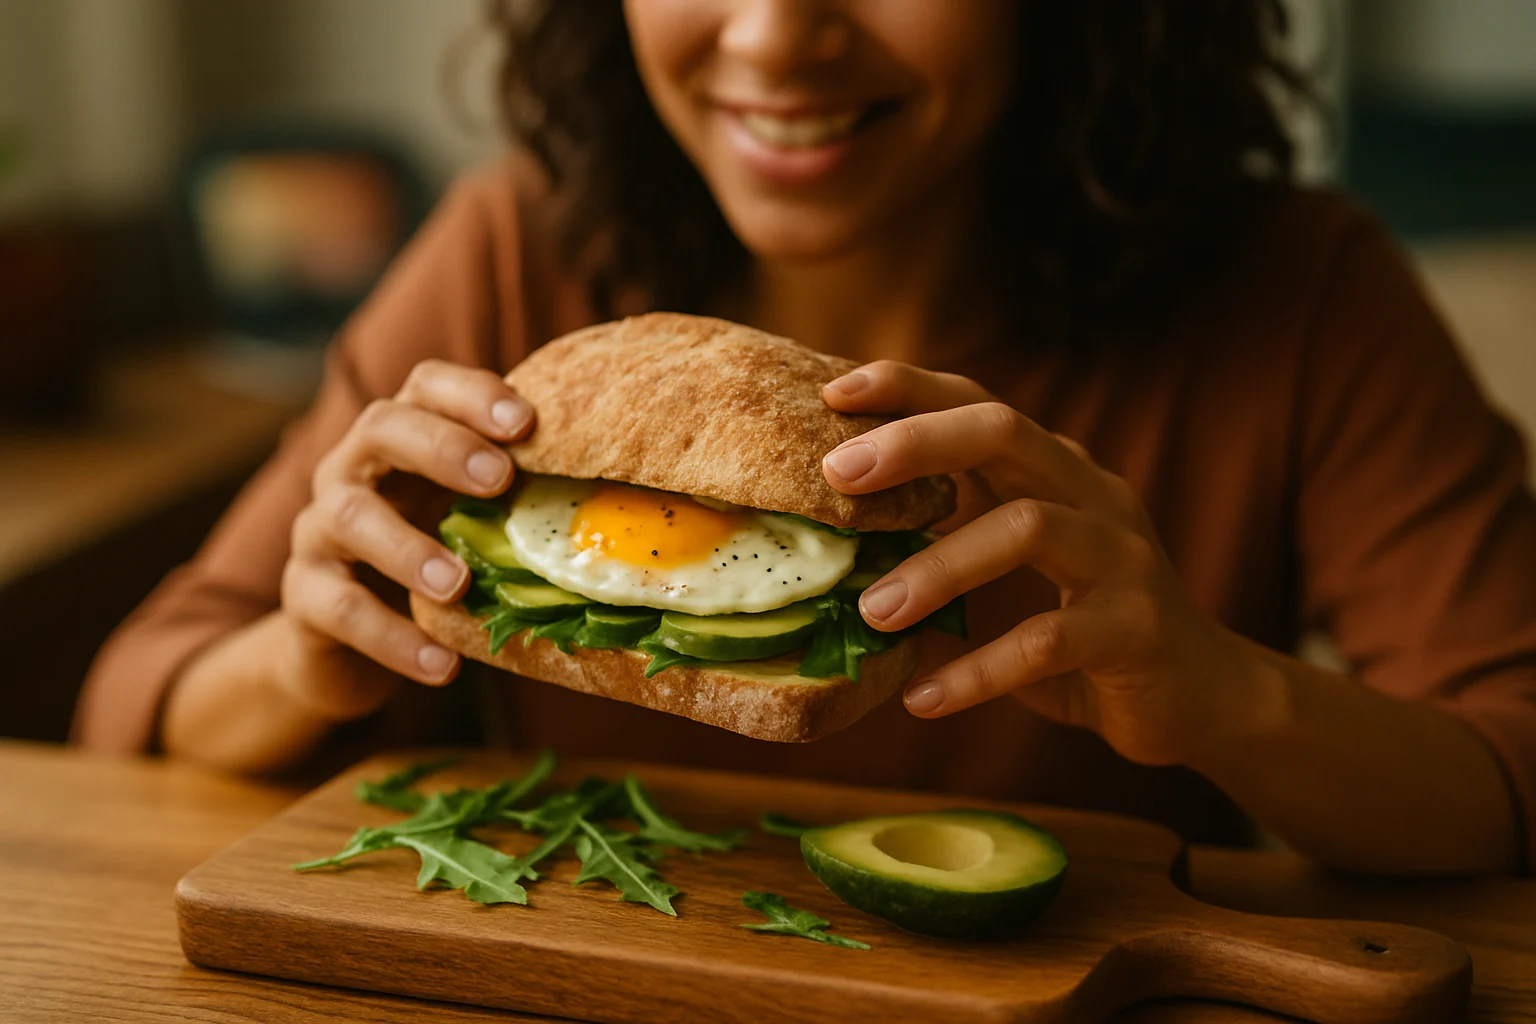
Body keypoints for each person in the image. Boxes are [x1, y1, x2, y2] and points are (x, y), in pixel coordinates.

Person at [75, 1, 1536, 877]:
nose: (774, 37)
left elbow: (1512, 773)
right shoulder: (517, 256)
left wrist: (1220, 694)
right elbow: (138, 700)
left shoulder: (1301, 293)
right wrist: (305, 654)